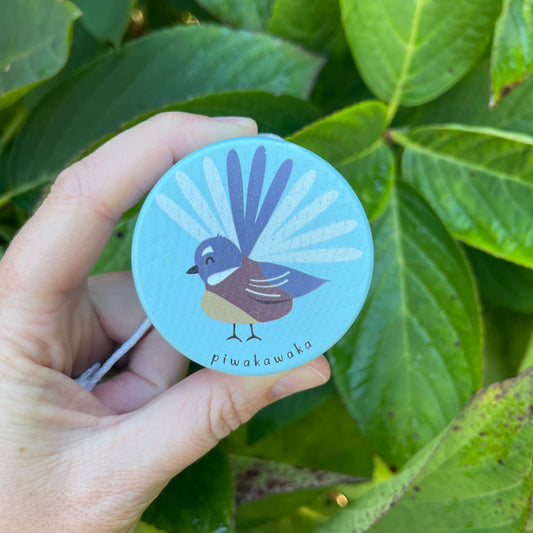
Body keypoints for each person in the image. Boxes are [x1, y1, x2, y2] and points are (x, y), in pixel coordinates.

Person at [0, 112, 330, 532]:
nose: (201, 270)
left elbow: (275, 294)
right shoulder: (212, 291)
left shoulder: (239, 280)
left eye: (205, 262)